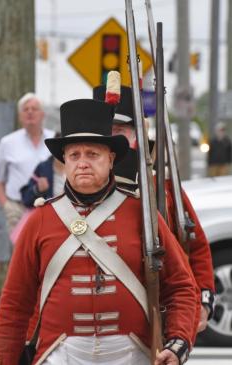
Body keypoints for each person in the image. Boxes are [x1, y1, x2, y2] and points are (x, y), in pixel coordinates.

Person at [0, 98, 197, 365]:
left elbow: (180, 286)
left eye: (93, 154)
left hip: (132, 354)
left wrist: (178, 341)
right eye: (74, 155)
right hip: (59, 354)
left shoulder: (141, 213)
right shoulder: (40, 219)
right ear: (64, 161)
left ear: (111, 160)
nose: (83, 163)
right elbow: (14, 305)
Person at [93, 84, 215, 335]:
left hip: (158, 310)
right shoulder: (77, 191)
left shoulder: (164, 189)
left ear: (137, 135)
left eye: (120, 131)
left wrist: (202, 300)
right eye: (107, 132)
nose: (114, 138)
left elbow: (195, 246)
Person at [0, 92, 55, 233]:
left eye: (34, 109)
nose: (30, 112)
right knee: (21, 253)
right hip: (18, 208)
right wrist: (6, 205)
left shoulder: (54, 139)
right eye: (25, 109)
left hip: (51, 207)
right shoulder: (7, 142)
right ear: (20, 116)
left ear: (43, 114)